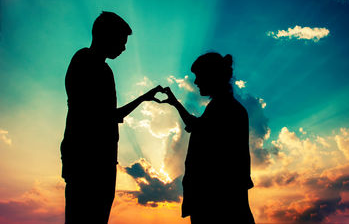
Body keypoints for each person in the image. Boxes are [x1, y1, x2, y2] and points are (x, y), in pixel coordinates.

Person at [60, 11, 162, 223]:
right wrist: (144, 98)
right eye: (122, 41)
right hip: (86, 160)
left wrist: (144, 97)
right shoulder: (85, 61)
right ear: (106, 36)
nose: (124, 48)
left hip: (101, 160)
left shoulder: (104, 70)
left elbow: (109, 116)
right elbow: (102, 116)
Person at [161, 52, 255, 224]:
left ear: (212, 76)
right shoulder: (222, 107)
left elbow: (197, 130)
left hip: (216, 202)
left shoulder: (224, 108)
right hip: (217, 199)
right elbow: (196, 127)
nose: (196, 82)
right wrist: (175, 103)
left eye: (199, 76)